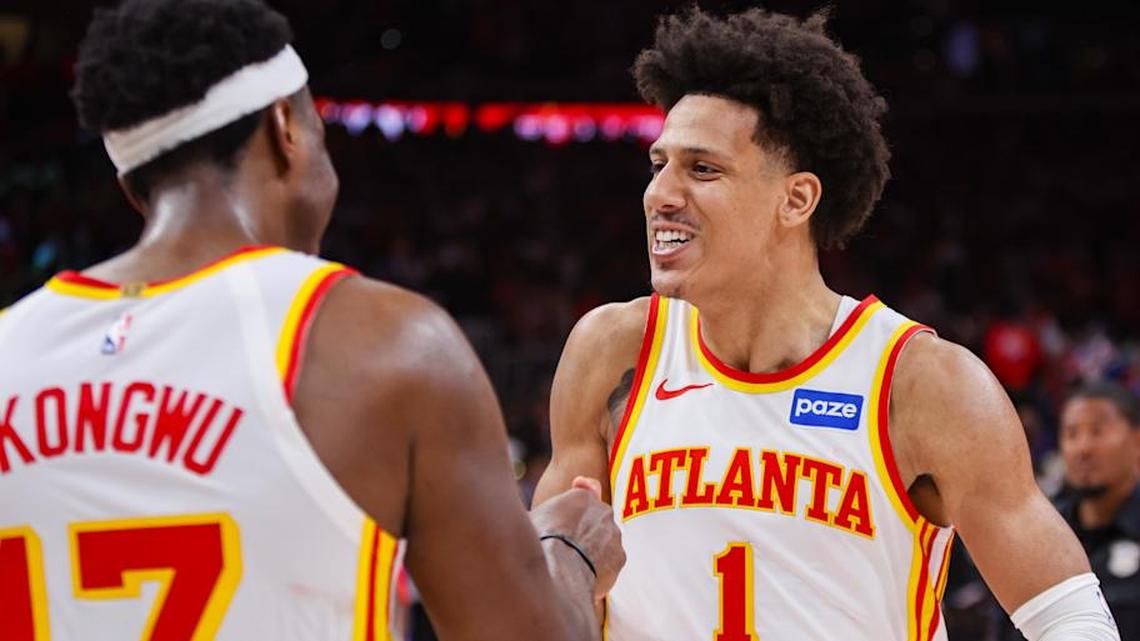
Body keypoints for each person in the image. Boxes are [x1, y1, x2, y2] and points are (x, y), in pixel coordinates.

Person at [0, 1, 622, 640]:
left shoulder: (8, 348)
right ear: (285, 130)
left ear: (134, 190)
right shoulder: (388, 343)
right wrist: (569, 550)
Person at [534, 7, 1118, 641]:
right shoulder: (614, 350)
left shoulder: (920, 383)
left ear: (797, 199)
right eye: (658, 164)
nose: (660, 193)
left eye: (702, 169)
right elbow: (540, 598)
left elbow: (1069, 616)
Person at [996, 383, 1140, 639]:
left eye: (1098, 431)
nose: (1083, 448)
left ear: (1136, 440)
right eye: (1072, 434)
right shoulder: (1038, 533)